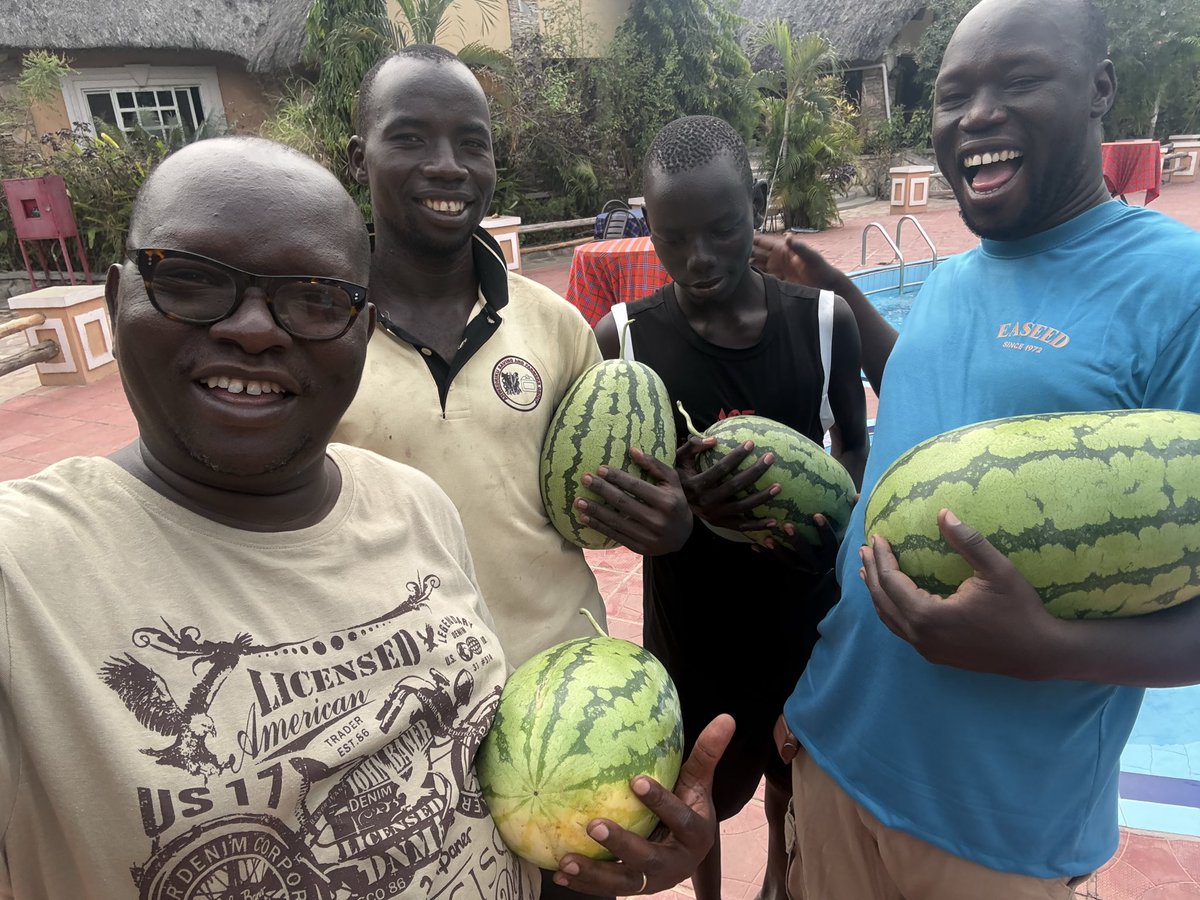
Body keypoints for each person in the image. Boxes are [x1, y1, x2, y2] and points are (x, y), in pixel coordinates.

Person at [0, 136, 734, 899]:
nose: (254, 327)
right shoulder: (24, 573)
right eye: (189, 280)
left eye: (316, 296)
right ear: (118, 298)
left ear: (363, 325)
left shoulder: (415, 507)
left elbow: (465, 805)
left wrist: (587, 856)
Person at [757, 1, 1200, 897]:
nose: (977, 116)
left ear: (1099, 90)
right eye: (954, 95)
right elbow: (939, 397)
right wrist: (839, 288)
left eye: (1019, 81)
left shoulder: (1175, 290)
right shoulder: (955, 277)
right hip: (838, 756)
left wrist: (1050, 645)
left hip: (995, 830)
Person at [335, 45, 691, 676]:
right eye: (411, 138)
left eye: (472, 143)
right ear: (360, 158)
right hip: (396, 710)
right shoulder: (319, 335)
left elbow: (600, 497)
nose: (448, 166)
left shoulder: (554, 325)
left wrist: (662, 524)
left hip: (558, 679)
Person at [590, 116, 868, 900]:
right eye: (674, 239)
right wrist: (667, 520)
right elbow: (606, 478)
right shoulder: (626, 341)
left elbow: (853, 444)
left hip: (799, 611)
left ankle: (780, 875)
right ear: (649, 225)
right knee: (697, 784)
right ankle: (709, 891)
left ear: (757, 201)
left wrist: (822, 504)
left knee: (792, 770)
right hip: (691, 617)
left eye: (723, 229)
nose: (700, 259)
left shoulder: (821, 322)